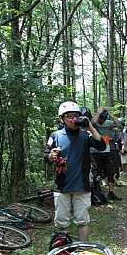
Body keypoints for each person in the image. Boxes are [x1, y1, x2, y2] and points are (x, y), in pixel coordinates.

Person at [44, 101, 107, 240]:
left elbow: (101, 146)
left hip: (82, 185)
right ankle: (63, 250)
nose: (73, 119)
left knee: (83, 221)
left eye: (76, 115)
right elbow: (46, 157)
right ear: (62, 118)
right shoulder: (56, 136)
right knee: (61, 222)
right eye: (69, 116)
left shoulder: (86, 135)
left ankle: (82, 249)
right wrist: (52, 155)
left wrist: (90, 126)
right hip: (62, 186)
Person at [89, 107, 123, 201]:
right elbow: (92, 123)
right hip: (95, 152)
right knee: (97, 175)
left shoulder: (107, 123)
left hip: (106, 151)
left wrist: (110, 114)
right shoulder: (94, 123)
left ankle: (111, 193)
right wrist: (98, 112)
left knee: (111, 172)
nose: (102, 120)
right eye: (101, 118)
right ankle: (97, 194)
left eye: (104, 118)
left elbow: (118, 124)